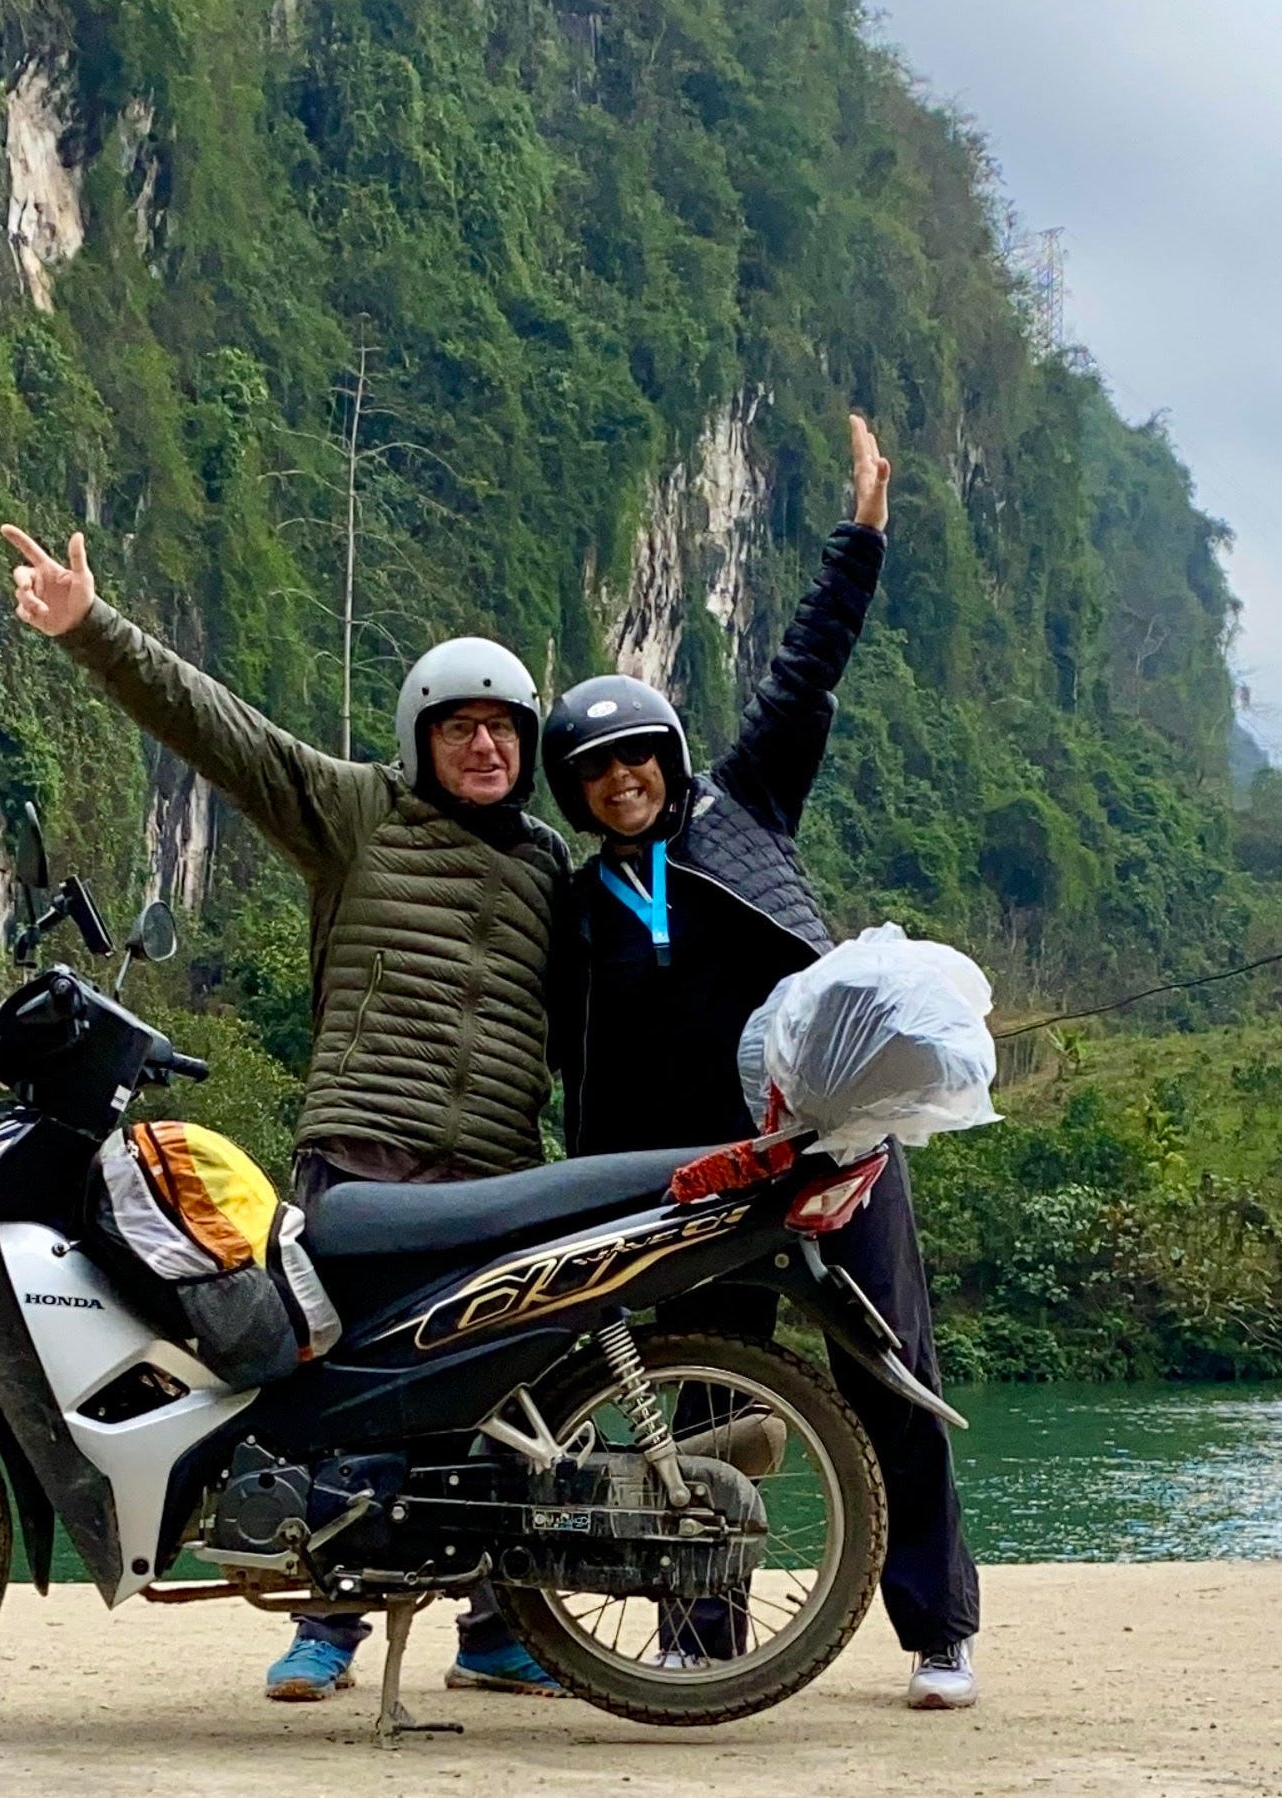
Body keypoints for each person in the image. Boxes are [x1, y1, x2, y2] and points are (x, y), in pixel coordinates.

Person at [2, 522, 568, 1703]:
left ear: (527, 744)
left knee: (500, 1395)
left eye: (503, 728)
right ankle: (327, 1624)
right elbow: (222, 731)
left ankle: (497, 1629)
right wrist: (90, 628)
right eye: (459, 727)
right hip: (366, 1155)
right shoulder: (358, 813)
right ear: (421, 737)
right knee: (340, 1387)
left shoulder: (548, 868)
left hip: (497, 1170)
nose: (483, 745)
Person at [539, 415, 983, 1711]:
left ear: (670, 759)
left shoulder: (744, 810)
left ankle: (938, 1629)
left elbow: (804, 674)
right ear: (575, 791)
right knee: (696, 1396)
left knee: (888, 1374)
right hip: (692, 1176)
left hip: (827, 1152)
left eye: (638, 756)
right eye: (595, 770)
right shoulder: (574, 907)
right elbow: (574, 1060)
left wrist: (862, 535)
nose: (623, 778)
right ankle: (700, 1628)